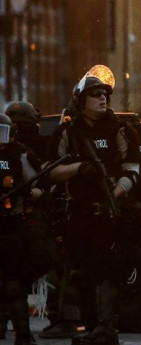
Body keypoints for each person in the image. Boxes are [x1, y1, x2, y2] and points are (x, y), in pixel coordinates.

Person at [46, 67, 140, 345]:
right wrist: (80, 168)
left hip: (109, 213)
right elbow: (51, 170)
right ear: (81, 99)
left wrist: (117, 191)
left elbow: (132, 169)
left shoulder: (121, 130)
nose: (103, 99)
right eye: (96, 94)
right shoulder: (68, 131)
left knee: (108, 272)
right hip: (79, 213)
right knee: (81, 272)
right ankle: (89, 329)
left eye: (106, 94)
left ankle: (107, 329)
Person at [5, 101, 81, 339]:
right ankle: (61, 318)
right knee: (54, 266)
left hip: (13, 219)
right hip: (40, 218)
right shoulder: (37, 146)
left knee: (9, 275)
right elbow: (47, 182)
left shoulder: (15, 149)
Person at [0, 113, 44, 345]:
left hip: (11, 223)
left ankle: (23, 335)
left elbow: (40, 187)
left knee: (15, 284)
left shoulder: (20, 153)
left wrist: (24, 194)